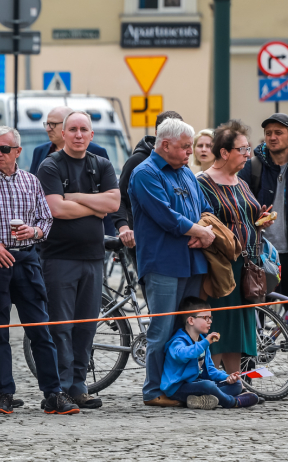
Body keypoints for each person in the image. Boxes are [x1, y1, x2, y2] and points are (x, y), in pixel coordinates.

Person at [0, 126, 77, 415]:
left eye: (4, 149)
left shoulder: (31, 181)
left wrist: (36, 231)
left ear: (18, 151)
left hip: (26, 260)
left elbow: (46, 218)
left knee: (40, 330)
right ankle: (2, 393)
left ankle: (53, 393)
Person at [128, 117, 215, 407]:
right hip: (163, 263)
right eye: (185, 147)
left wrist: (205, 231)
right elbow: (165, 216)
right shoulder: (145, 173)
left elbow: (206, 208)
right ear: (165, 145)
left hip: (192, 261)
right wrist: (199, 232)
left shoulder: (186, 172)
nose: (190, 152)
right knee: (162, 329)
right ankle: (153, 391)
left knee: (186, 329)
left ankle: (177, 386)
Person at [36, 111, 120, 409]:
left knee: (86, 325)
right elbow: (56, 209)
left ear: (91, 134)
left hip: (93, 257)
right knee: (61, 326)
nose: (78, 134)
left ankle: (79, 385)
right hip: (59, 258)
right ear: (63, 133)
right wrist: (93, 204)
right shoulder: (50, 165)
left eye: (84, 129)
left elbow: (112, 203)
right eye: (72, 129)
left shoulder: (102, 164)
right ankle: (60, 388)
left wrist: (74, 197)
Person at [196, 120, 272, 376]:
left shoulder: (241, 181)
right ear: (225, 152)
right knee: (221, 323)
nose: (247, 154)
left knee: (240, 326)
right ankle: (214, 379)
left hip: (247, 264)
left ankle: (234, 380)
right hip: (221, 264)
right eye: (242, 149)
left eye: (248, 149)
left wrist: (259, 218)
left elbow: (246, 215)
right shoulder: (203, 182)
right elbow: (206, 222)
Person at [161, 297, 258, 409]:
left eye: (210, 318)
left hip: (198, 384)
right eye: (205, 318)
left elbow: (211, 370)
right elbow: (183, 355)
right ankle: (232, 402)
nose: (210, 321)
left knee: (236, 385)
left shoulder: (202, 340)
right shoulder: (178, 341)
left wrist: (228, 377)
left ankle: (199, 400)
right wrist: (205, 342)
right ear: (191, 320)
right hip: (178, 388)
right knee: (208, 385)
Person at [239, 113, 288, 295]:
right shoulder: (252, 167)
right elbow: (238, 205)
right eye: (268, 133)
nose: (272, 137)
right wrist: (255, 217)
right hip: (262, 251)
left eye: (278, 132)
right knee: (260, 308)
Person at [113, 111, 176, 250]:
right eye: (168, 132)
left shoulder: (181, 164)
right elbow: (119, 198)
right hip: (141, 240)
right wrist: (123, 228)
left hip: (174, 238)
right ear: (156, 132)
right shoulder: (137, 162)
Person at [28, 106, 110, 176]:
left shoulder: (97, 152)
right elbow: (32, 186)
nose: (48, 129)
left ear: (67, 125)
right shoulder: (40, 151)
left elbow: (109, 190)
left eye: (53, 124)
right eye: (47, 124)